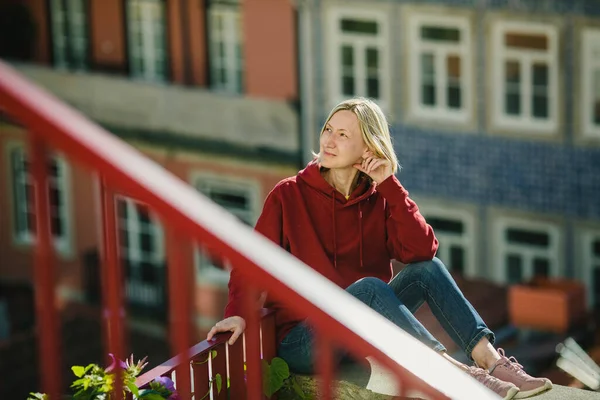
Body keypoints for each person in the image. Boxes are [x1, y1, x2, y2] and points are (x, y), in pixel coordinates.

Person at [207, 98, 553, 399]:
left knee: (427, 270)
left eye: (344, 135)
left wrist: (389, 186)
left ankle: (491, 361)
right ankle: (453, 374)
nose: (329, 140)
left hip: (358, 337)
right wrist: (237, 310)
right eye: (329, 129)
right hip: (305, 342)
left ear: (368, 147)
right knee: (370, 288)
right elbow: (251, 262)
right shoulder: (288, 195)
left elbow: (421, 250)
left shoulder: (379, 198)